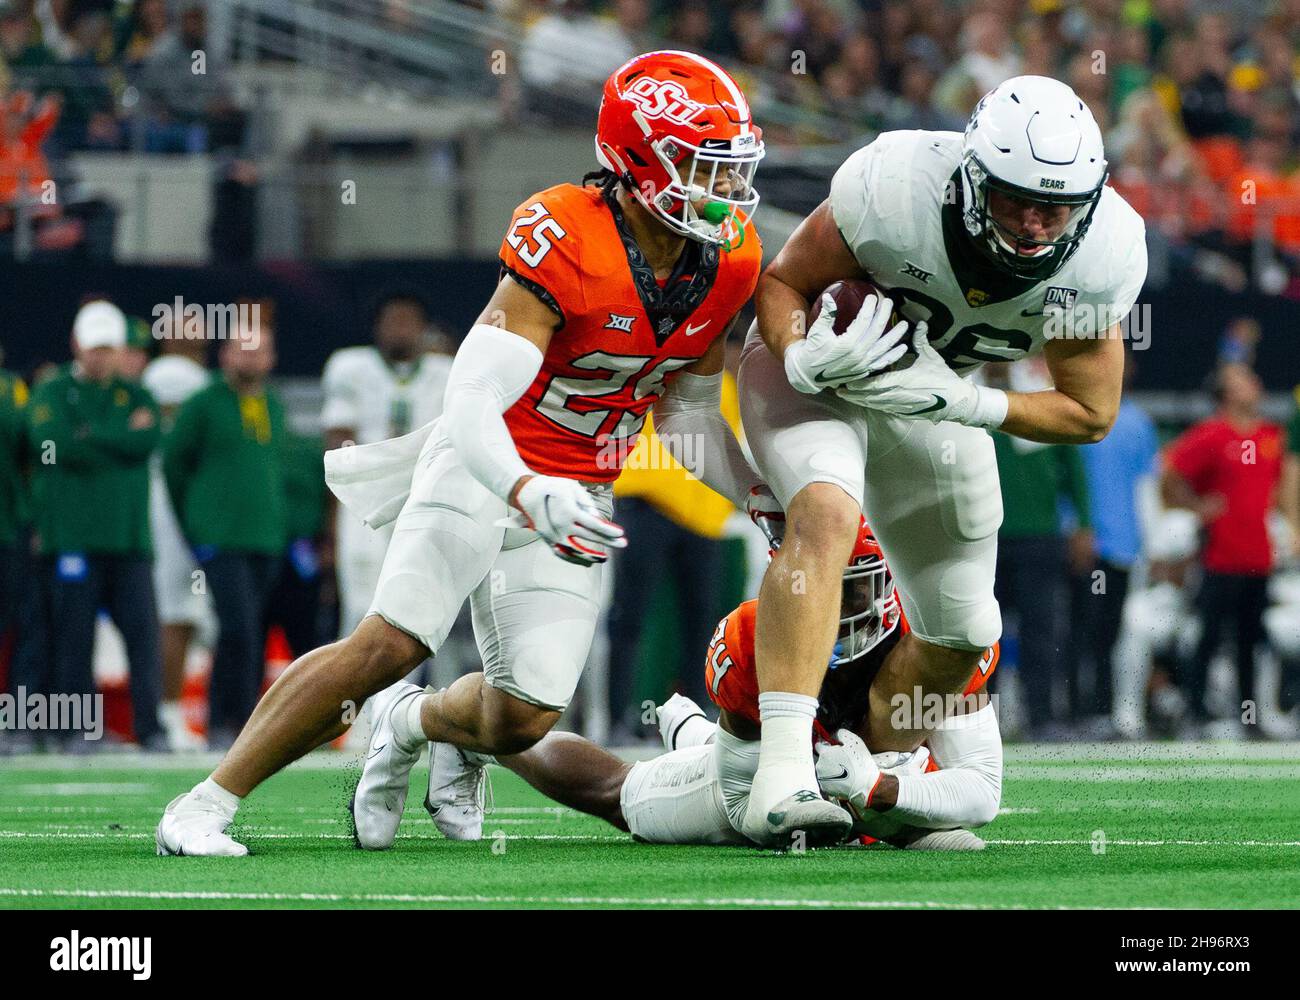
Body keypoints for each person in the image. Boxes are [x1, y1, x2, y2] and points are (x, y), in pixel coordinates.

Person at [156, 50, 772, 856]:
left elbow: (688, 411)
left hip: (580, 488)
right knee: (394, 639)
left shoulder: (729, 259)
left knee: (525, 714)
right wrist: (523, 486)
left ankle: (417, 721)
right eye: (701, 165)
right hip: (489, 458)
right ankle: (205, 803)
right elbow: (473, 399)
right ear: (637, 161)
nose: (722, 190)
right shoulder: (568, 235)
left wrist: (765, 500)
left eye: (729, 169)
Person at [739, 74, 1147, 845]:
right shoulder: (895, 187)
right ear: (970, 175)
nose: (1034, 224)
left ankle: (861, 775)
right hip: (822, 375)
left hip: (932, 397)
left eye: (1055, 206)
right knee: (826, 512)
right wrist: (799, 356)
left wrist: (969, 404)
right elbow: (785, 281)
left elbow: (1091, 412)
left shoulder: (1101, 259)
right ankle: (782, 775)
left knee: (962, 632)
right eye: (1015, 199)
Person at [439, 517, 1001, 851]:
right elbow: (741, 803)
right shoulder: (754, 635)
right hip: (755, 775)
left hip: (861, 769)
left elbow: (981, 788)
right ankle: (474, 733)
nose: (840, 605)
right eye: (825, 586)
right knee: (618, 797)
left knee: (941, 821)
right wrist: (856, 800)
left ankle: (691, 733)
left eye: (853, 588)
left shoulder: (937, 639)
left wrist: (880, 790)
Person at [26, 300, 164, 749]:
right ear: (77, 346)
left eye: (109, 348)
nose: (102, 357)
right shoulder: (52, 391)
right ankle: (75, 730)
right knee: (73, 639)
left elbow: (146, 441)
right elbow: (51, 443)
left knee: (143, 637)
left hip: (129, 540)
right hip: (72, 540)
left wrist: (89, 436)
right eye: (95, 348)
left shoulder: (136, 395)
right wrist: (116, 440)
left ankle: (152, 729)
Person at [163, 320, 284, 748]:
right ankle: (226, 723)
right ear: (225, 354)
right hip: (221, 538)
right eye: (242, 348)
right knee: (237, 628)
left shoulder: (273, 402)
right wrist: (197, 523)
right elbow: (174, 465)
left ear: (271, 358)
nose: (250, 357)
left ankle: (242, 725)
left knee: (253, 630)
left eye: (259, 349)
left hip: (265, 538)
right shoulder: (202, 403)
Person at [321, 292, 452, 639]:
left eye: (408, 321)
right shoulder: (350, 368)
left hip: (424, 497)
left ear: (424, 329)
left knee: (418, 605)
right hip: (366, 499)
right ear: (376, 328)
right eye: (392, 321)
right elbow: (338, 442)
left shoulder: (447, 373)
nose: (400, 330)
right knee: (361, 606)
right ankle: (353, 694)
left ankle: (408, 694)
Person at [1162, 362, 1283, 735]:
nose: (1256, 384)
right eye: (1244, 381)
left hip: (1257, 555)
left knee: (1252, 641)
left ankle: (1251, 717)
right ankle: (1195, 712)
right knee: (1209, 636)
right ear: (1227, 393)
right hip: (1220, 555)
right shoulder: (1212, 434)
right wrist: (1197, 507)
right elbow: (1169, 471)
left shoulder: (1269, 435)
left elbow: (1276, 488)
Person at [142, 325, 211, 750]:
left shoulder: (189, 376)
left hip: (179, 499)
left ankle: (169, 711)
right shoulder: (173, 374)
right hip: (171, 501)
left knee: (185, 613)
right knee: (175, 611)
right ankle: (167, 711)